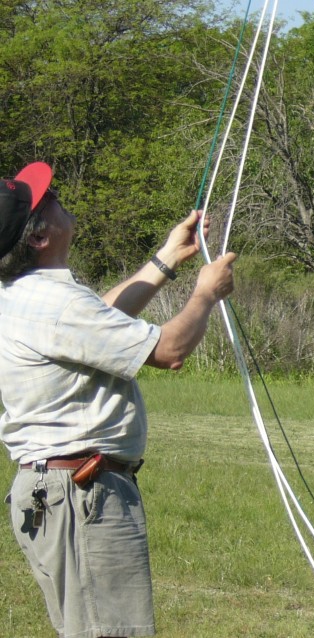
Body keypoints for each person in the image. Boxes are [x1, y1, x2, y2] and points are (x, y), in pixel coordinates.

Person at [0, 161, 236, 637]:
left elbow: (102, 321)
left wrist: (166, 258)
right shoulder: (56, 305)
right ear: (39, 238)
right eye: (51, 199)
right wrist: (205, 294)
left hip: (59, 492)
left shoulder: (24, 296)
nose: (61, 200)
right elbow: (169, 351)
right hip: (81, 495)